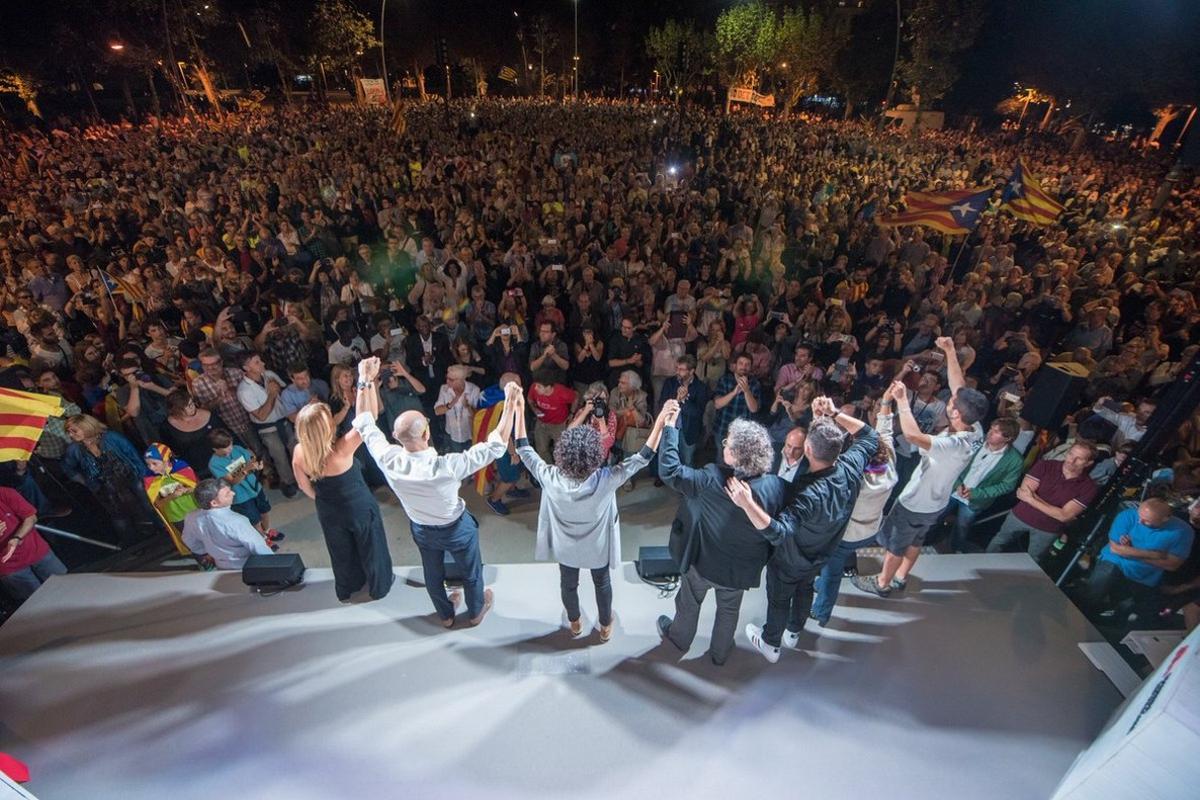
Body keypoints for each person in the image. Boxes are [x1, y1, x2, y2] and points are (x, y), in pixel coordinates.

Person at [353, 357, 519, 627]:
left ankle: (445, 615)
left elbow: (363, 422)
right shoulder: (447, 466)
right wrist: (511, 403)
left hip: (421, 529)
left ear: (397, 438)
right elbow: (496, 444)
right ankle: (476, 611)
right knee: (471, 571)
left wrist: (364, 379)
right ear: (427, 434)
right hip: (456, 527)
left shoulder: (389, 459)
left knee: (433, 573)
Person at [729, 398, 879, 662]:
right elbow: (869, 435)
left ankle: (771, 644)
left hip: (791, 558)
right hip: (822, 554)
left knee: (779, 598)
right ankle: (795, 631)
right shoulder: (851, 467)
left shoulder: (807, 493)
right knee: (805, 588)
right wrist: (834, 414)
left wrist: (747, 503)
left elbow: (777, 532)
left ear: (807, 449)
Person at [514, 394, 670, 641]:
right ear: (594, 454)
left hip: (566, 549)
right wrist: (661, 420)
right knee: (602, 583)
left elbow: (523, 447)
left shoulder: (549, 477)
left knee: (568, 584)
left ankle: (575, 622)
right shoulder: (605, 480)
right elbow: (643, 456)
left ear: (563, 453)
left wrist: (518, 408)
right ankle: (605, 626)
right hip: (597, 549)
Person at [854, 338, 989, 598]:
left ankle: (882, 583)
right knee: (917, 541)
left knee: (896, 544)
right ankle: (901, 578)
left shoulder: (951, 444)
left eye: (952, 404)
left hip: (915, 501)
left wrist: (902, 401)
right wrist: (950, 351)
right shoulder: (976, 429)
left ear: (957, 414)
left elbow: (914, 436)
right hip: (936, 504)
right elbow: (958, 384)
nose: (950, 400)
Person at [656, 406, 790, 666]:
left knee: (689, 603)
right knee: (729, 611)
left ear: (737, 456)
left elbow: (670, 471)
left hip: (703, 564)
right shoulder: (776, 487)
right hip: (739, 571)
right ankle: (720, 653)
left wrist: (670, 428)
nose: (724, 443)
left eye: (729, 442)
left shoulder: (711, 478)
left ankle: (680, 639)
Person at [809, 399, 898, 626]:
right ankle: (827, 580)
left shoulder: (853, 481)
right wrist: (886, 402)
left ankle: (821, 612)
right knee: (839, 561)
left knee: (831, 572)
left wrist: (819, 418)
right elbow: (882, 431)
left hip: (847, 534)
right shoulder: (891, 464)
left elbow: (823, 458)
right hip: (870, 531)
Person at [293, 402, 393, 602]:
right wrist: (366, 380)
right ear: (327, 425)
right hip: (358, 505)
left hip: (328, 509)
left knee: (340, 550)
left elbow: (304, 487)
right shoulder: (342, 448)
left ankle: (349, 587)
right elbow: (369, 418)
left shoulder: (299, 452)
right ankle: (379, 586)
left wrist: (324, 499)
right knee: (371, 545)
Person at [1079, 499, 1193, 617]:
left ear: (1165, 519)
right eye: (1140, 515)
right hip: (1115, 560)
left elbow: (1172, 565)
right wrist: (1154, 555)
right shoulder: (1128, 515)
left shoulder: (1182, 532)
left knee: (1128, 612)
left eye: (1146, 521)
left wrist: (1130, 551)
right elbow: (1115, 549)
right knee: (1097, 588)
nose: (1140, 521)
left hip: (1145, 576)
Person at [985, 442, 1099, 560]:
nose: (1071, 460)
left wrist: (1031, 498)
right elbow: (1024, 492)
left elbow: (1064, 516)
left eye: (1079, 458)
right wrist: (1055, 510)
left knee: (1033, 561)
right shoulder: (1045, 465)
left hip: (1048, 529)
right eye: (1070, 454)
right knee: (999, 542)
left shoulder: (1089, 487)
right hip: (1021, 516)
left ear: (1088, 463)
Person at [946, 417, 1024, 553]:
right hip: (953, 490)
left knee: (961, 528)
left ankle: (953, 553)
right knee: (936, 516)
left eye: (996, 432)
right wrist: (957, 484)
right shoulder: (977, 442)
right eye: (991, 429)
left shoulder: (1015, 460)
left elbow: (1007, 486)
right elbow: (957, 462)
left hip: (975, 501)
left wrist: (976, 494)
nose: (990, 433)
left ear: (1008, 438)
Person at [236, 352, 299, 498]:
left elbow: (285, 390)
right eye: (257, 362)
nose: (262, 364)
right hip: (268, 428)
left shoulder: (269, 374)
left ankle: (302, 475)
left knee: (295, 448)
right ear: (246, 367)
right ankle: (288, 482)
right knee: (279, 455)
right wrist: (271, 394)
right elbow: (261, 415)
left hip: (283, 420)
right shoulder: (244, 390)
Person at [181, 479, 275, 570]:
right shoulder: (236, 521)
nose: (233, 493)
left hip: (221, 566)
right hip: (248, 564)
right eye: (227, 494)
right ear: (214, 503)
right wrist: (274, 564)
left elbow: (189, 540)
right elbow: (258, 546)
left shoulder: (191, 517)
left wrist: (204, 552)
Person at [0, 486, 66, 602]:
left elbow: (30, 517)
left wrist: (16, 538)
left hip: (37, 551)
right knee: (37, 603)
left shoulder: (4, 493)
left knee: (67, 588)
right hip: (10, 568)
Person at [208, 428, 274, 535]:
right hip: (241, 496)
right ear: (215, 449)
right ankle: (262, 538)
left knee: (265, 510)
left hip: (255, 487)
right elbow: (232, 481)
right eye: (225, 448)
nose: (230, 449)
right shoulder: (214, 464)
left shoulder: (237, 449)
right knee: (254, 520)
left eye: (230, 445)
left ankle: (267, 531)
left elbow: (252, 459)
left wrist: (258, 464)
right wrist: (245, 470)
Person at [143, 443, 201, 555]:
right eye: (148, 464)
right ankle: (204, 563)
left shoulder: (181, 468)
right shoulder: (150, 479)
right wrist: (172, 496)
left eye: (154, 463)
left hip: (196, 509)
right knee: (192, 543)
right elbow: (158, 504)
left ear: (166, 460)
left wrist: (186, 490)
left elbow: (198, 488)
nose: (151, 467)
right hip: (176, 516)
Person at [528, 370, 577, 465]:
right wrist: (534, 409)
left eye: (539, 386)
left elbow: (575, 398)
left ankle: (561, 472)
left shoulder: (561, 392)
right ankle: (548, 470)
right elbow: (530, 399)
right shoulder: (534, 387)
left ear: (548, 387)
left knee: (561, 451)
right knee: (541, 449)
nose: (536, 388)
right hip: (542, 423)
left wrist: (571, 414)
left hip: (559, 425)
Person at [434, 365, 481, 453]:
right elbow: (437, 411)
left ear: (461, 380)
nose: (447, 381)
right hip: (453, 434)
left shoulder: (474, 390)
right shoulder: (444, 389)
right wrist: (452, 402)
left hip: (469, 434)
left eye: (451, 379)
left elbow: (479, 416)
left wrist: (468, 406)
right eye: (447, 378)